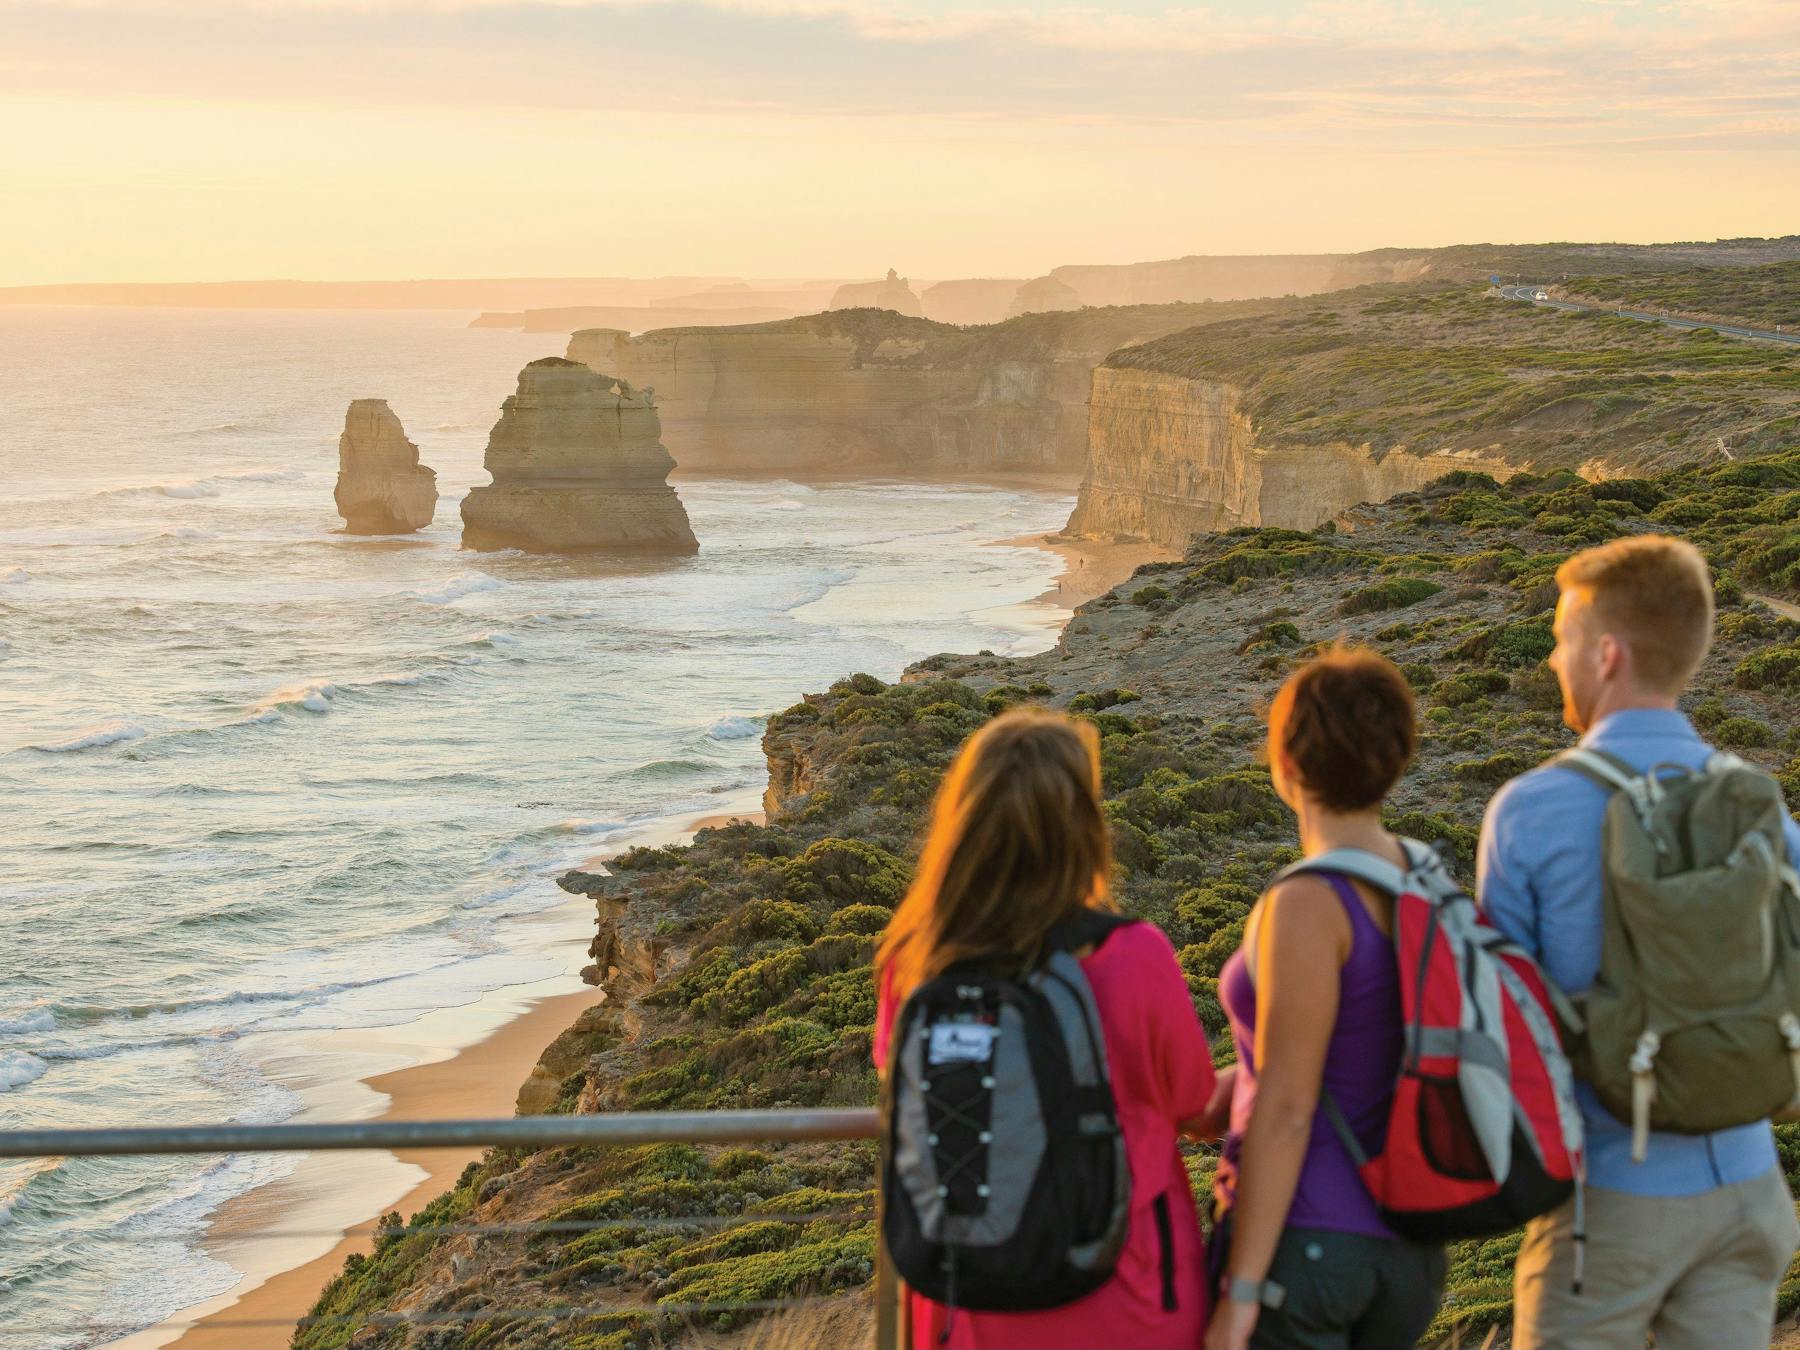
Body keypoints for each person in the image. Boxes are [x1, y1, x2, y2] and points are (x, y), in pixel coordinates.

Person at [1478, 535, 1800, 1350]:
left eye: (1563, 640)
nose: (1554, 659)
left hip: (1611, 1198)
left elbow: (1504, 1023)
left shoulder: (1531, 810)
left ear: (1608, 655)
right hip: (1750, 1191)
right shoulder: (1761, 808)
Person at [874, 708, 1217, 1350]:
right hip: (1126, 1296)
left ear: (962, 823)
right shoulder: (1135, 954)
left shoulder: (913, 963)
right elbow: (1195, 1104)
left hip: (964, 1308)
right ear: (1082, 829)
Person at [1206, 648, 1447, 1350]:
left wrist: (1242, 1295)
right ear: (1398, 754)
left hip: (1314, 1244)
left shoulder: (1309, 902)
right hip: (1411, 1249)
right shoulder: (1428, 879)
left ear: (1285, 763)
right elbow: (1364, 1044)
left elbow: (1287, 1109)